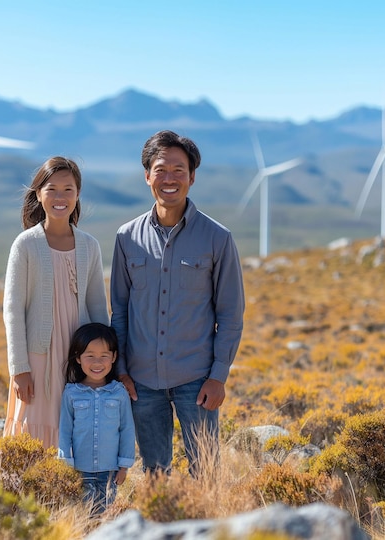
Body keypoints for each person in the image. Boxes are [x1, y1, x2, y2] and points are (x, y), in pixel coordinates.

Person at [110, 130, 245, 477]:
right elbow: (120, 311)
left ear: (192, 177)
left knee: (206, 473)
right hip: (141, 382)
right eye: (160, 169)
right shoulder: (126, 238)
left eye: (178, 170)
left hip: (197, 381)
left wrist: (218, 377)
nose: (169, 179)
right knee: (155, 474)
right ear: (146, 176)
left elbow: (230, 314)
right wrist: (121, 371)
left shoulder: (218, 238)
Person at [2, 156, 110, 449]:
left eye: (68, 190)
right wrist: (19, 367)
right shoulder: (25, 244)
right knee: (33, 432)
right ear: (38, 194)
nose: (60, 197)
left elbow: (98, 307)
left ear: (78, 195)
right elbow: (13, 311)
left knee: (78, 427)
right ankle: (31, 494)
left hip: (80, 358)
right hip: (39, 358)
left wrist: (105, 360)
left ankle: (74, 493)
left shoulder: (90, 245)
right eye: (52, 189)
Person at [58, 322, 135, 516]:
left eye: (104, 356)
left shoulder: (119, 393)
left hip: (109, 471)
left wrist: (124, 466)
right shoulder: (71, 393)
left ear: (114, 357)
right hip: (79, 471)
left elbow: (127, 429)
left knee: (104, 516)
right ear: (78, 358)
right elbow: (65, 430)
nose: (97, 363)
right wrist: (65, 463)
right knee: (83, 516)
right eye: (90, 356)